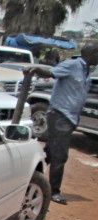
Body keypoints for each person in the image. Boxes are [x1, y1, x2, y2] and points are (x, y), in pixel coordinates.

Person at [26, 42, 98, 205]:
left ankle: (31, 178)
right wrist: (36, 69)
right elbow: (52, 72)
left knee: (51, 152)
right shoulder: (72, 65)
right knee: (60, 155)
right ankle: (54, 191)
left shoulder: (87, 70)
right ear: (92, 53)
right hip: (60, 115)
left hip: (71, 118)